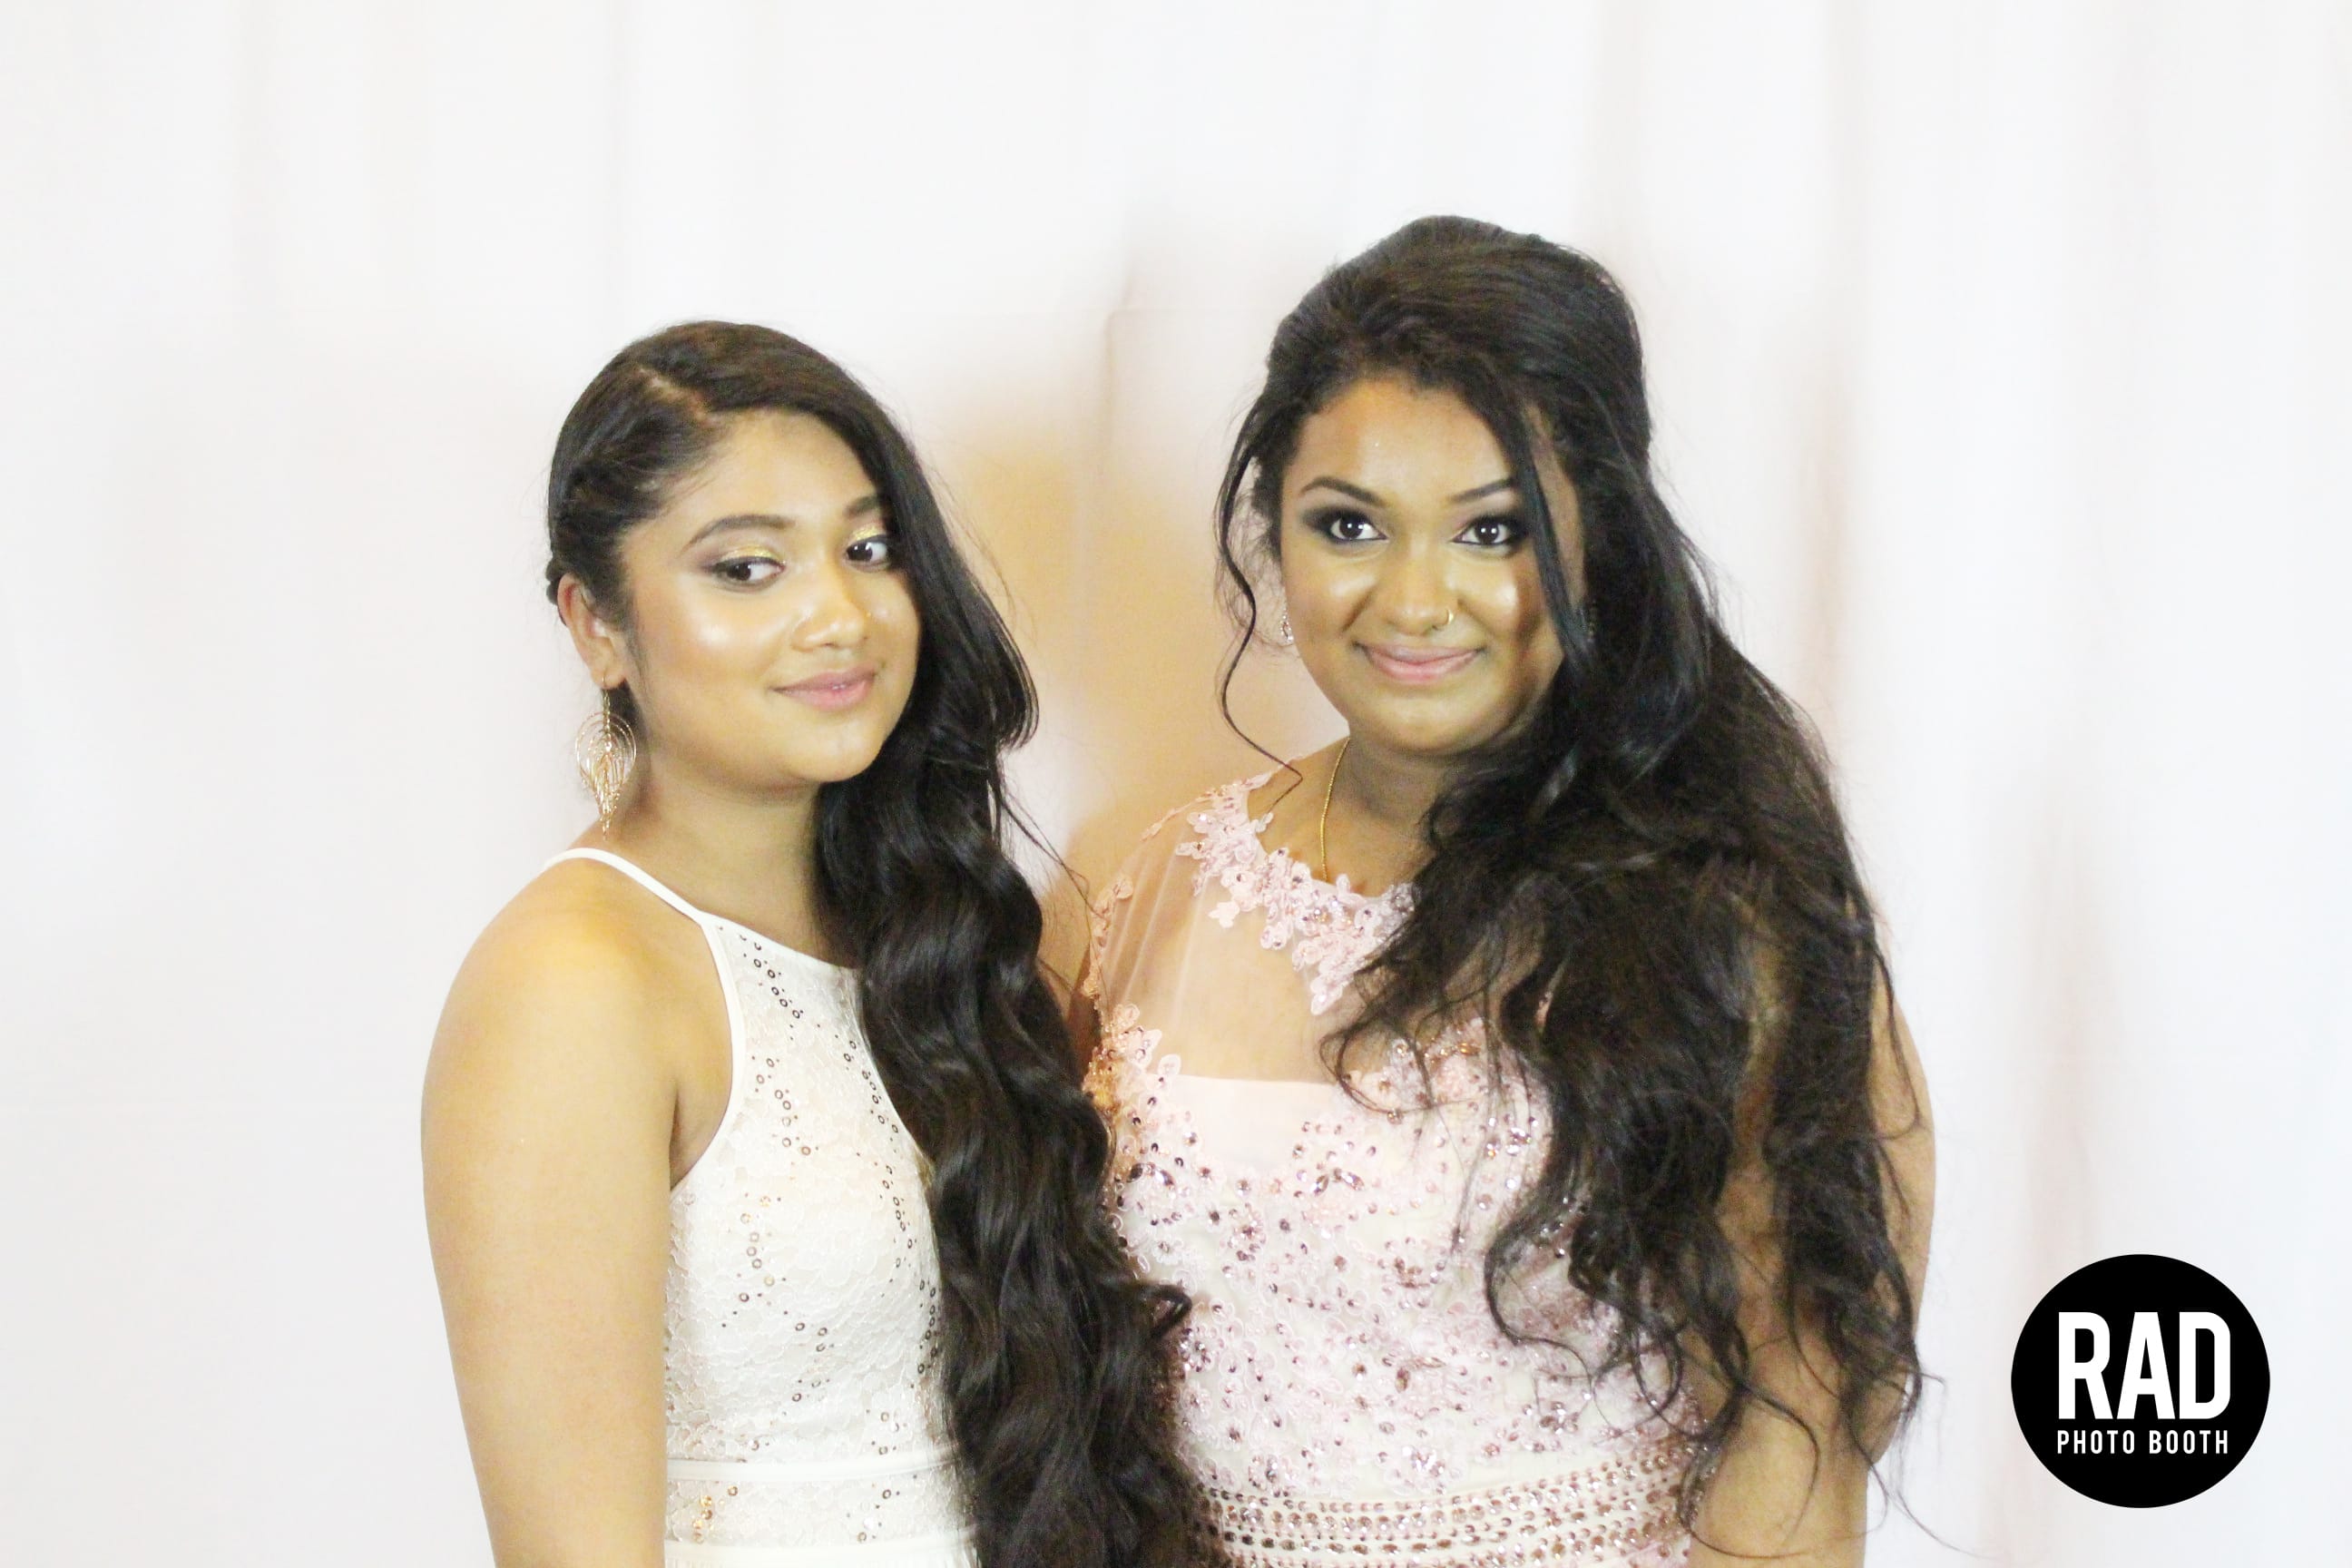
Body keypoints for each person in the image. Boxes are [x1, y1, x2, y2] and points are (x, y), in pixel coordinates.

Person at [1078, 218, 1933, 1566]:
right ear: (1274, 536)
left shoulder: (1726, 903)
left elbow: (1804, 1428)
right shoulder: (1163, 882)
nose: (1417, 601)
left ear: (1602, 546)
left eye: (1494, 531)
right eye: (1349, 525)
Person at [424, 321, 1196, 1568]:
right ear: (597, 625)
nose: (838, 615)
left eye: (868, 550)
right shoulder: (574, 984)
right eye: (746, 569)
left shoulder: (926, 926)